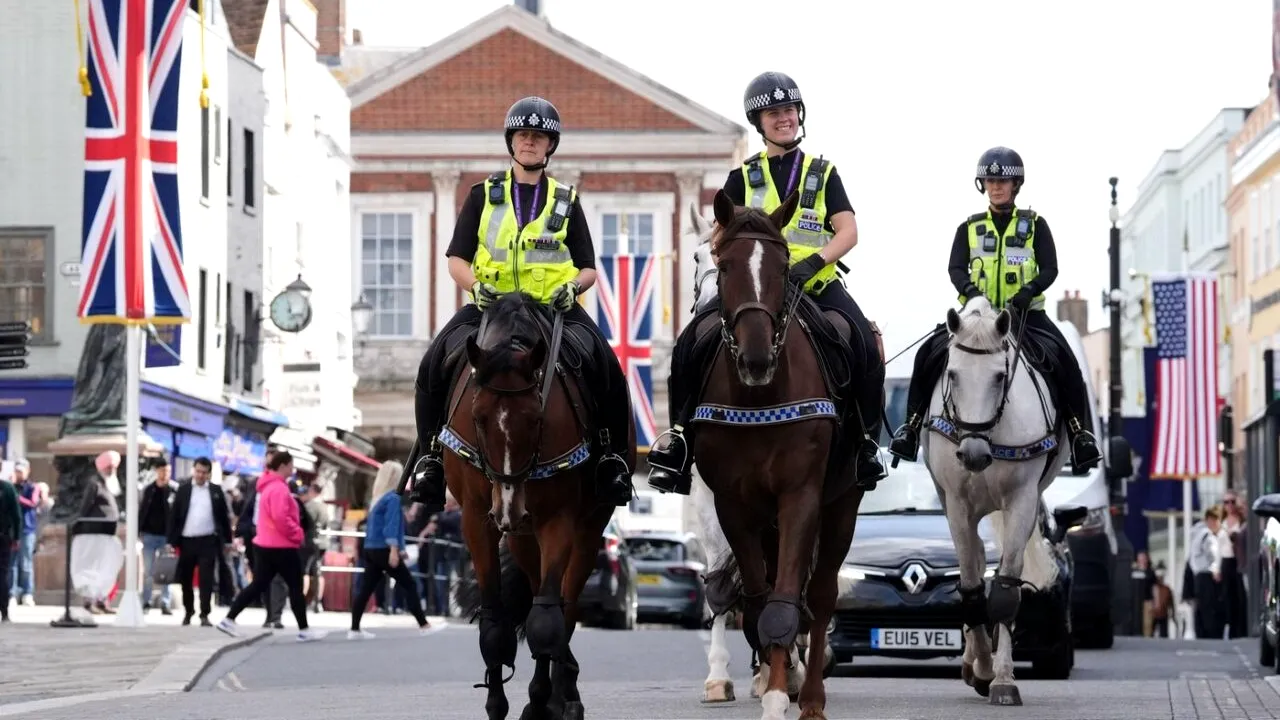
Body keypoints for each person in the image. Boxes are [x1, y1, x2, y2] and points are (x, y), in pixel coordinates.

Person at [646, 70, 887, 496]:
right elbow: (720, 235)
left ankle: (867, 443)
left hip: (813, 285)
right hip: (756, 290)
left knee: (864, 342)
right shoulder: (742, 178)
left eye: (790, 110)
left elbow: (849, 232)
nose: (785, 118)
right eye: (774, 112)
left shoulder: (823, 173)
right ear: (759, 122)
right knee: (690, 345)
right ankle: (680, 440)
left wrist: (813, 262)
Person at [407, 96, 635, 510]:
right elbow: (456, 259)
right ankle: (430, 459)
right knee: (433, 362)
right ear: (512, 141)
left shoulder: (567, 200)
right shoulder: (483, 195)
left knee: (608, 366)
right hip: (491, 307)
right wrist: (475, 288)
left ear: (551, 146)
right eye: (523, 135)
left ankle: (613, 459)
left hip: (552, 310)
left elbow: (587, 266)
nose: (530, 143)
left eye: (539, 137)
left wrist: (574, 288)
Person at [886, 147, 1102, 475]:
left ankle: (1079, 432)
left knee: (1066, 359)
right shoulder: (968, 228)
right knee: (929, 352)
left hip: (1027, 316)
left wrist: (1027, 293)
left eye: (1003, 180)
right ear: (982, 184)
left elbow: (1050, 268)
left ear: (1016, 184)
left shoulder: (1035, 225)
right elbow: (956, 269)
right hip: (975, 317)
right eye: (990, 180)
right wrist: (972, 293)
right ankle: (912, 427)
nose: (996, 186)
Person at [217, 452, 325, 642]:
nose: (293, 470)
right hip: (281, 545)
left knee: (259, 584)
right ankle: (304, 629)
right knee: (294, 585)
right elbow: (281, 518)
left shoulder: (267, 486)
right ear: (283, 466)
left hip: (266, 543)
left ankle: (229, 619)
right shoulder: (278, 489)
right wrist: (297, 533)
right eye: (291, 466)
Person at [349, 461, 432, 639]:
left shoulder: (377, 499)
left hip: (371, 548)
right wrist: (395, 550)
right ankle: (424, 624)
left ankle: (354, 629)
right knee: (409, 584)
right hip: (384, 549)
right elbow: (392, 526)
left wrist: (398, 549)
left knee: (365, 589)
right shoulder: (393, 498)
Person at [167, 457, 233, 626]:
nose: (200, 475)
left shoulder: (216, 491)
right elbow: (174, 516)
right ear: (193, 471)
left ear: (209, 474)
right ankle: (188, 611)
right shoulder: (184, 490)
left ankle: (205, 613)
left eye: (204, 473)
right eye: (198, 471)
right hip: (187, 540)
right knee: (186, 579)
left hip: (208, 540)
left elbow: (224, 517)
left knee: (207, 578)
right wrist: (171, 540)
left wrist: (227, 541)